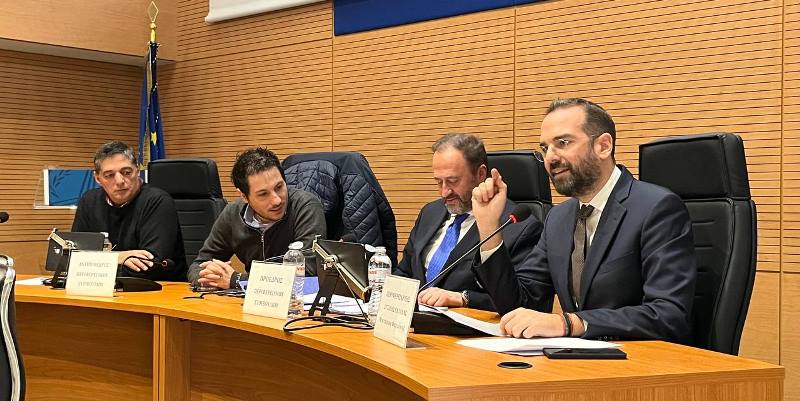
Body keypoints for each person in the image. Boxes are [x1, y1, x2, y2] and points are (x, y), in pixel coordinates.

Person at [471, 98, 696, 342]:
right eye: (545, 148)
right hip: (576, 357)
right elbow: (519, 303)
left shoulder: (656, 207)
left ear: (603, 146)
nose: (550, 158)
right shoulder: (558, 217)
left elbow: (668, 314)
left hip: (640, 358)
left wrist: (571, 323)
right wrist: (489, 227)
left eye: (563, 143)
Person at [393, 134, 543, 311]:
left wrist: (464, 298)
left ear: (480, 174)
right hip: (415, 321)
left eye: (452, 181)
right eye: (439, 182)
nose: (444, 192)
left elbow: (521, 302)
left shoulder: (519, 226)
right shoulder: (430, 213)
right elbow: (405, 272)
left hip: (467, 325)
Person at [188, 147, 326, 289]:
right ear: (244, 196)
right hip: (249, 299)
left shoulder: (305, 206)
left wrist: (237, 280)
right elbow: (198, 265)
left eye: (279, 187)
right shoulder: (232, 214)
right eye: (263, 194)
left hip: (297, 300)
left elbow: (307, 273)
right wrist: (209, 277)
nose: (277, 200)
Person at [72, 141, 187, 281]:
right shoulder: (89, 201)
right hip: (99, 287)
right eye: (109, 175)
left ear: (137, 170)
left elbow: (150, 266)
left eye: (126, 172)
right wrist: (117, 258)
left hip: (161, 289)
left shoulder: (158, 201)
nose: (120, 181)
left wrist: (95, 262)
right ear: (97, 178)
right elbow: (73, 258)